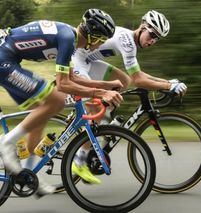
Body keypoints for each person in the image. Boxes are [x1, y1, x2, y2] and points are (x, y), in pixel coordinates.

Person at [0, 8, 123, 197]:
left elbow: (72, 77)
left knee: (40, 114)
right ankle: (7, 143)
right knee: (56, 101)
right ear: (93, 36)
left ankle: (28, 175)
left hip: (8, 59)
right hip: (4, 61)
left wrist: (106, 85)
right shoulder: (67, 38)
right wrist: (101, 92)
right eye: (101, 41)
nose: (99, 46)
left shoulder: (69, 38)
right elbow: (63, 84)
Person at [71, 10, 187, 183]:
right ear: (142, 26)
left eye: (157, 39)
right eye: (152, 34)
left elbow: (136, 76)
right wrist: (169, 86)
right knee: (97, 109)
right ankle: (79, 161)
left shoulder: (130, 41)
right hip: (77, 59)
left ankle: (100, 123)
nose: (153, 41)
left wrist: (167, 81)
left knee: (123, 81)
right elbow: (139, 80)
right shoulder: (127, 41)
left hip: (89, 61)